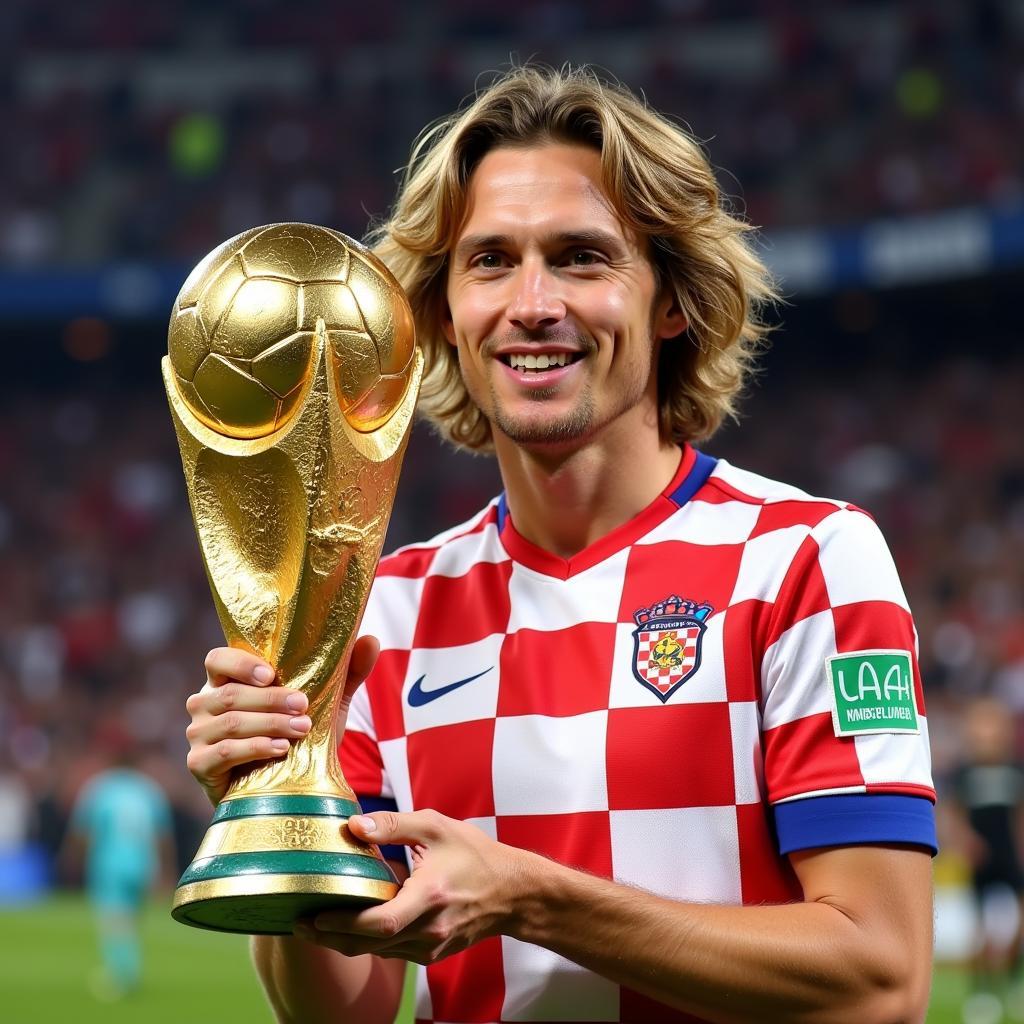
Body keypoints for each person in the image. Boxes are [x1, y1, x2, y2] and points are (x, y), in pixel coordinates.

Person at [185, 66, 937, 1024]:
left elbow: (881, 981)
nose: (532, 303)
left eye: (582, 257)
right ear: (444, 318)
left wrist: (535, 899)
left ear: (673, 303)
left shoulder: (807, 559)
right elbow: (346, 1007)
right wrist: (277, 803)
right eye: (490, 261)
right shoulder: (390, 607)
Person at [63, 739, 175, 999]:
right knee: (132, 919)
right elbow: (162, 835)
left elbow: (83, 830)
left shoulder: (100, 787)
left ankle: (122, 974)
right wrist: (166, 870)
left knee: (114, 919)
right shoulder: (148, 789)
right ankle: (128, 969)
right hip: (143, 862)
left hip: (110, 862)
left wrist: (72, 858)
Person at [950, 697, 1024, 1024]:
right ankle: (981, 993)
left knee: (1017, 924)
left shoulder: (1014, 769)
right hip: (982, 859)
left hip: (1011, 857)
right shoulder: (966, 772)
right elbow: (956, 814)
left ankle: (1012, 981)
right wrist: (966, 841)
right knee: (981, 929)